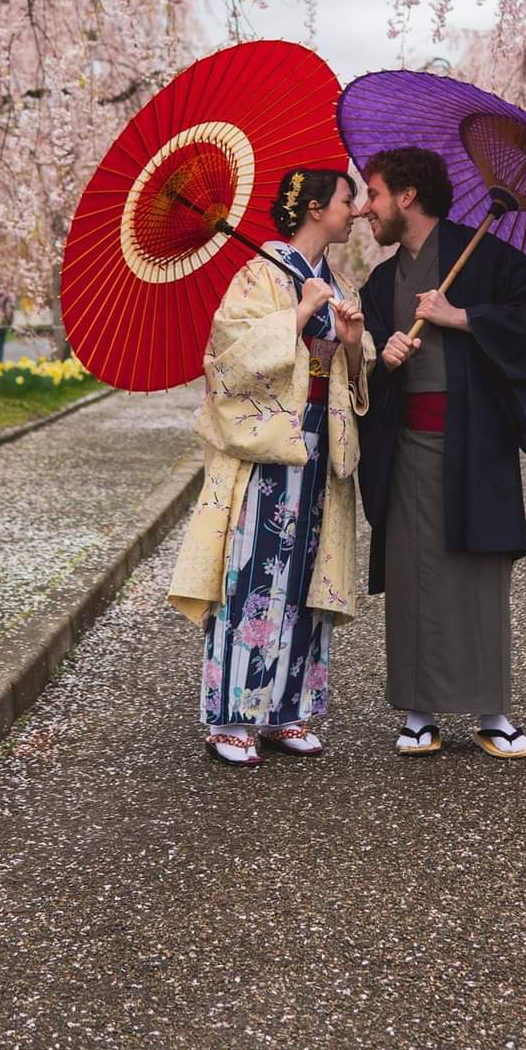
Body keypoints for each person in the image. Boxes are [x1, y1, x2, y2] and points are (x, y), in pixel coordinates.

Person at [168, 168, 373, 767]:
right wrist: (294, 317)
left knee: (307, 573)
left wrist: (354, 343)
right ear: (315, 209)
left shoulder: (337, 281)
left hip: (317, 440)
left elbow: (350, 375)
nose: (354, 209)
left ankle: (286, 710)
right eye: (344, 200)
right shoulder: (260, 273)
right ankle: (231, 715)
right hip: (267, 446)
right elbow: (228, 355)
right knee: (254, 569)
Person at [358, 147, 526, 759]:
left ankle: (494, 712)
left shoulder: (492, 259)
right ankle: (419, 713)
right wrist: (381, 360)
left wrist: (461, 314)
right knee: (415, 573)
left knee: (479, 574)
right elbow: (361, 366)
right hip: (409, 442)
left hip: (475, 442)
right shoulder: (381, 282)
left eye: (373, 194)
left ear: (407, 197)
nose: (366, 208)